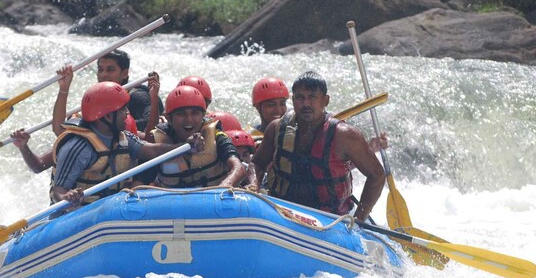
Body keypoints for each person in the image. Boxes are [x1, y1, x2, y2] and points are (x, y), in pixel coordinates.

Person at [11, 81, 201, 208]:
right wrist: (68, 197)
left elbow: (152, 151)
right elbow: (58, 191)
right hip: (76, 216)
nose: (127, 114)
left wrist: (185, 146)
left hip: (110, 212)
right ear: (107, 116)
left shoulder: (124, 138)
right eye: (122, 110)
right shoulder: (79, 147)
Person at [250, 71, 385, 222]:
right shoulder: (276, 128)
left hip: (331, 219)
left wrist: (359, 219)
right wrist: (253, 185)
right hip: (283, 212)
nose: (306, 104)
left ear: (325, 100)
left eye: (313, 97)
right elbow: (258, 163)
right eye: (300, 98)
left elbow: (377, 176)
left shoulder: (345, 135)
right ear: (293, 100)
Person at [146, 85, 245, 188]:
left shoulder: (217, 135)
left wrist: (223, 187)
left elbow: (238, 167)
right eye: (181, 114)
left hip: (215, 199)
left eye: (195, 113)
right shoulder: (158, 142)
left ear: (203, 115)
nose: (189, 120)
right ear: (169, 119)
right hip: (175, 202)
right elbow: (140, 181)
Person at [51, 49, 162, 138]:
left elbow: (151, 131)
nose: (103, 74)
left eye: (110, 70)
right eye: (100, 69)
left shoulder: (138, 96)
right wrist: (64, 88)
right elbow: (59, 130)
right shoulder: (95, 97)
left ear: (124, 73)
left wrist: (107, 125)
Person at [248, 76, 289, 142]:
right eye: (271, 105)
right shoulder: (249, 138)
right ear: (258, 107)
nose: (278, 110)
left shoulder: (294, 132)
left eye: (282, 104)